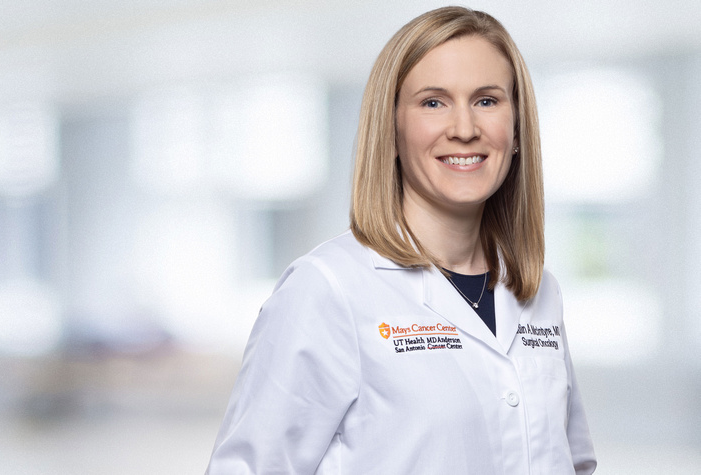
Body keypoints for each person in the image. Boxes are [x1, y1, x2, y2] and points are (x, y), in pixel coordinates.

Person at [206, 6, 596, 474]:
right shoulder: (328, 290)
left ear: (516, 130)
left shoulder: (538, 292)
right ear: (390, 130)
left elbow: (571, 463)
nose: (465, 128)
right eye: (433, 102)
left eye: (487, 101)